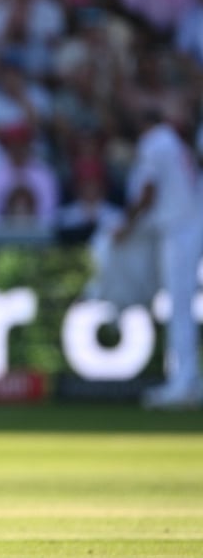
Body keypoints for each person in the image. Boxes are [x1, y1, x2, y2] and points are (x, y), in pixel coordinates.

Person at [107, 106, 203, 409]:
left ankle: (183, 382)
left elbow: (147, 193)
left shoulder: (155, 141)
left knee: (179, 307)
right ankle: (188, 379)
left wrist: (127, 225)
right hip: (187, 223)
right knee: (182, 306)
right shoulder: (173, 141)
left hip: (180, 229)